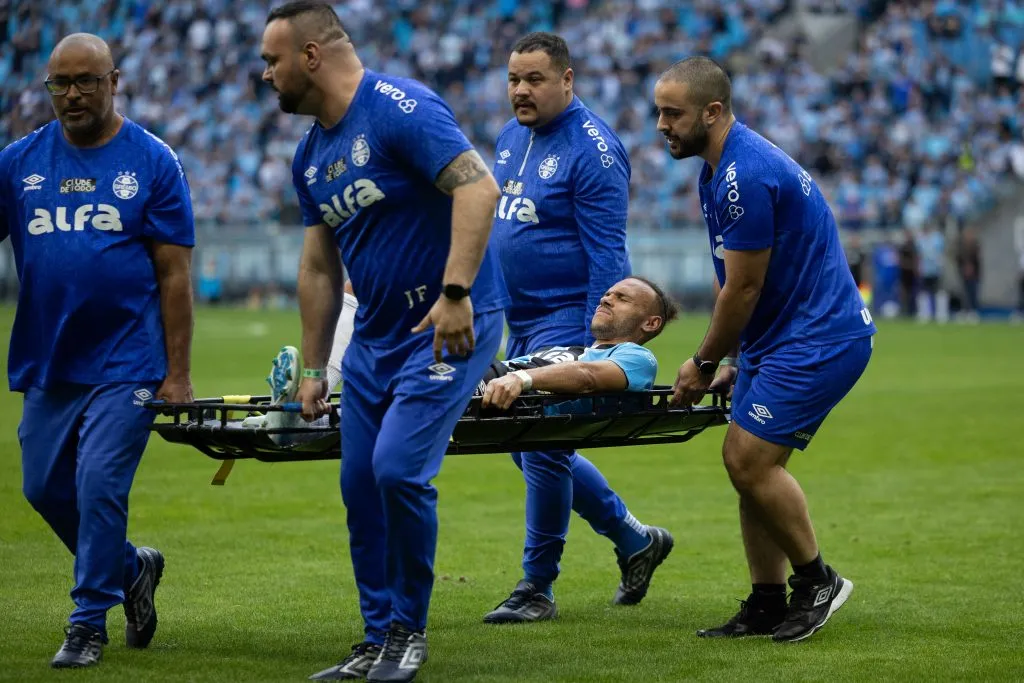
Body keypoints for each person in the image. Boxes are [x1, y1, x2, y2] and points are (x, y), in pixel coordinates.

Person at [259, 3, 507, 681]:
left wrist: (455, 292)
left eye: (273, 60)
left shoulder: (400, 107)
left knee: (397, 470)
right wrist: (316, 367)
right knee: (360, 486)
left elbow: (479, 189)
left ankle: (407, 631)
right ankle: (375, 638)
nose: (266, 74)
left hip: (448, 323)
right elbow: (319, 268)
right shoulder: (310, 155)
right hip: (374, 336)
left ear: (311, 56)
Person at [655, 56, 876, 643]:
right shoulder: (720, 168)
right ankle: (766, 602)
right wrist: (734, 359)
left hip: (817, 339)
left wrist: (703, 363)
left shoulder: (742, 175)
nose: (661, 125)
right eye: (659, 112)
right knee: (749, 468)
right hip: (780, 338)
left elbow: (743, 289)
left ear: (713, 111)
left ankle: (818, 581)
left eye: (673, 114)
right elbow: (740, 282)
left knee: (748, 460)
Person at [0, 33, 195, 668]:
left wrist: (178, 373)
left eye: (86, 80)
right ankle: (133, 569)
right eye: (60, 83)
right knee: (42, 487)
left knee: (99, 484)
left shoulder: (153, 160)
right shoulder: (19, 162)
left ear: (114, 81)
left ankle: (87, 623)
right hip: (51, 358)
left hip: (128, 358)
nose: (72, 94)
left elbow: (174, 275)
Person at [486, 32, 674, 625]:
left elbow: (607, 256)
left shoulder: (593, 150)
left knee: (542, 446)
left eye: (534, 79)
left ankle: (536, 587)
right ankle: (635, 540)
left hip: (567, 318)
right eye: (514, 79)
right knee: (527, 447)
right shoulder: (510, 136)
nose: (521, 90)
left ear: (567, 80)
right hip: (519, 319)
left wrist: (601, 349)